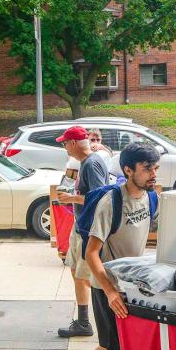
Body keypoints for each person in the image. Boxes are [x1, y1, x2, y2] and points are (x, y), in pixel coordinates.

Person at [63, 142, 160, 350]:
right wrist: (109, 290)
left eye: (155, 168)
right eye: (147, 169)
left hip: (130, 282)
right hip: (106, 284)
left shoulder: (149, 197)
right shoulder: (112, 202)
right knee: (119, 347)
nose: (153, 174)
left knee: (117, 344)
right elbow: (91, 252)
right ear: (128, 170)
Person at [54, 126, 106, 338]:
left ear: (74, 143)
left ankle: (89, 322)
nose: (64, 147)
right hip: (81, 226)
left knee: (86, 276)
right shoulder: (87, 162)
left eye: (65, 143)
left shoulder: (92, 164)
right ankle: (83, 321)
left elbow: (101, 198)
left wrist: (71, 198)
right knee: (76, 272)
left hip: (88, 230)